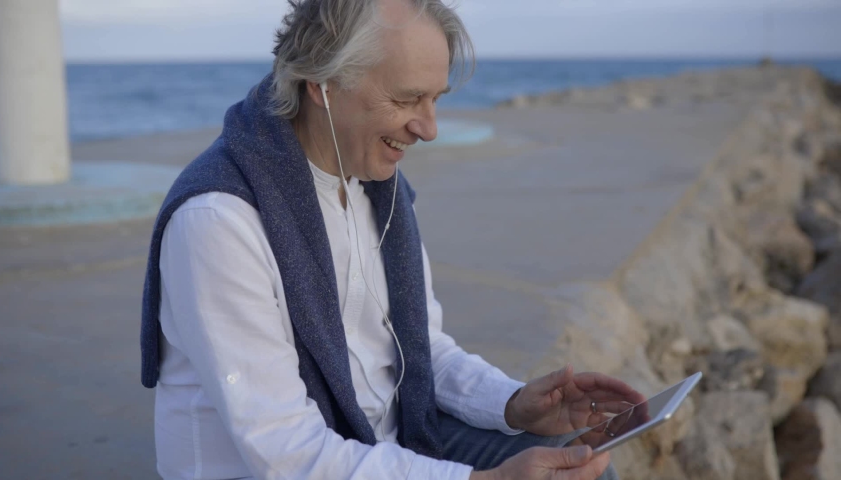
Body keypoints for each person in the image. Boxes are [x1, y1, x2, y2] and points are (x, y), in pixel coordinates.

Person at [139, 0, 645, 478]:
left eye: (435, 100)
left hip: (385, 443)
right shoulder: (219, 220)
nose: (429, 128)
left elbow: (419, 348)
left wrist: (513, 404)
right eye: (406, 99)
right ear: (322, 81)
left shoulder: (375, 185)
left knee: (577, 462)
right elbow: (284, 451)